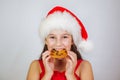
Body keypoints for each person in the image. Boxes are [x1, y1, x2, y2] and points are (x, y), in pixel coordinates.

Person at [27, 6, 94, 80]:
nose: (58, 44)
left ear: (72, 40)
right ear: (46, 41)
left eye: (64, 37)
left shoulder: (84, 66)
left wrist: (70, 75)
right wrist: (48, 74)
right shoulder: (35, 66)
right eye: (52, 37)